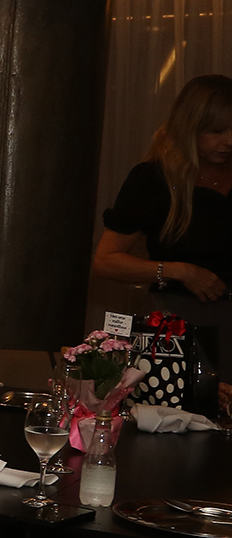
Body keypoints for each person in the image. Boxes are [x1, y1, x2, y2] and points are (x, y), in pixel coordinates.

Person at [93, 73, 232, 368]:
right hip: (181, 329)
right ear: (189, 127)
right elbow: (106, 261)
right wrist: (180, 271)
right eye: (216, 131)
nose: (229, 141)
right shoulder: (154, 180)